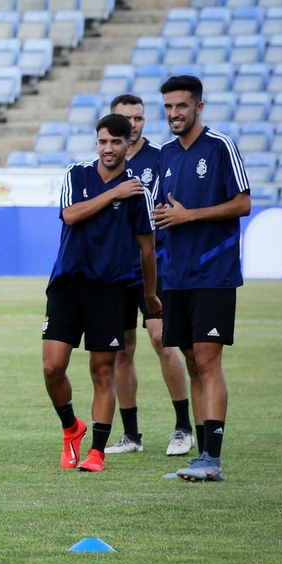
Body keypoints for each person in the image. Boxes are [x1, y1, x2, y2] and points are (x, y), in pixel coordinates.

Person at [41, 114, 161, 473]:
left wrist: (151, 296)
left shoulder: (138, 191)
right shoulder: (76, 175)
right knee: (52, 367)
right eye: (103, 141)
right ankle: (70, 427)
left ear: (129, 144)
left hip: (110, 289)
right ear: (97, 143)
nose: (109, 149)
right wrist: (112, 194)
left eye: (116, 142)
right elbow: (71, 214)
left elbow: (147, 249)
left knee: (102, 371)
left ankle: (96, 451)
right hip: (66, 285)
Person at [152, 75, 251, 482]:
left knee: (208, 359)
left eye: (181, 106)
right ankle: (202, 455)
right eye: (169, 107)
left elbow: (243, 202)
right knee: (192, 361)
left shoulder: (221, 146)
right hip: (176, 275)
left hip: (213, 271)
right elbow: (161, 211)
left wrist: (188, 215)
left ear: (199, 107)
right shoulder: (166, 155)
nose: (174, 114)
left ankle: (213, 457)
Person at [108, 94, 194, 457]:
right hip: (114, 269)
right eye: (125, 118)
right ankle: (131, 435)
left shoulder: (160, 157)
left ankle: (183, 428)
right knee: (121, 350)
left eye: (138, 118)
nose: (133, 125)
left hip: (153, 263)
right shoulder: (103, 163)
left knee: (161, 339)